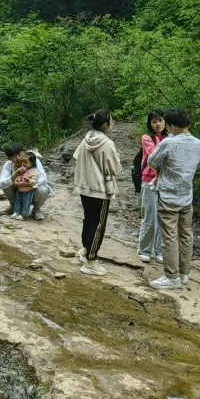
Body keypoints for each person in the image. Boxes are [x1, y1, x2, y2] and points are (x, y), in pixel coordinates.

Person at [146, 108, 200, 290]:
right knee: (186, 234)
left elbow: (151, 162)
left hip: (169, 194)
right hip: (187, 195)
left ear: (172, 126)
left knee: (169, 236)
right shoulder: (198, 143)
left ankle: (171, 276)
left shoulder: (168, 143)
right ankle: (184, 273)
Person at [72, 110, 121, 276]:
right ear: (105, 125)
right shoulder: (106, 143)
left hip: (84, 187)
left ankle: (85, 251)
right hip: (100, 190)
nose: (113, 124)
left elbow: (77, 156)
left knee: (88, 220)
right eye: (111, 121)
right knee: (98, 225)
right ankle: (91, 262)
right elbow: (114, 168)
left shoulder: (86, 138)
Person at [135, 111, 167, 263]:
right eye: (154, 121)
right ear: (150, 123)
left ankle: (159, 250)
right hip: (149, 181)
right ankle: (144, 249)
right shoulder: (147, 137)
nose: (157, 124)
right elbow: (153, 155)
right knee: (150, 217)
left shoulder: (169, 137)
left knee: (163, 218)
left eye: (160, 121)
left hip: (167, 182)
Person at [0, 142, 51, 220]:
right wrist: (14, 176)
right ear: (10, 159)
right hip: (17, 191)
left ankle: (36, 210)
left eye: (19, 155)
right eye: (12, 157)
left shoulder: (33, 161)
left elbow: (44, 178)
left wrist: (30, 182)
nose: (17, 158)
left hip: (30, 191)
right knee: (6, 185)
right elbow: (1, 184)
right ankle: (13, 208)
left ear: (24, 153)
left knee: (43, 189)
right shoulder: (8, 165)